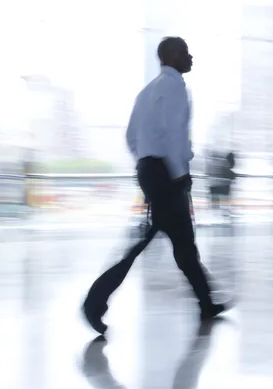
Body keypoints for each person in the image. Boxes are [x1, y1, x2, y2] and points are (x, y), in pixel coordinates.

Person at [82, 37, 230, 335]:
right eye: (185, 52)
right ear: (172, 56)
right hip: (166, 175)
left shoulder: (147, 91)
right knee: (148, 239)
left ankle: (207, 302)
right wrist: (176, 174)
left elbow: (131, 136)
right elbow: (176, 134)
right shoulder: (176, 87)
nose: (191, 57)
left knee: (183, 243)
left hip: (151, 171)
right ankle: (95, 302)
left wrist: (146, 163)